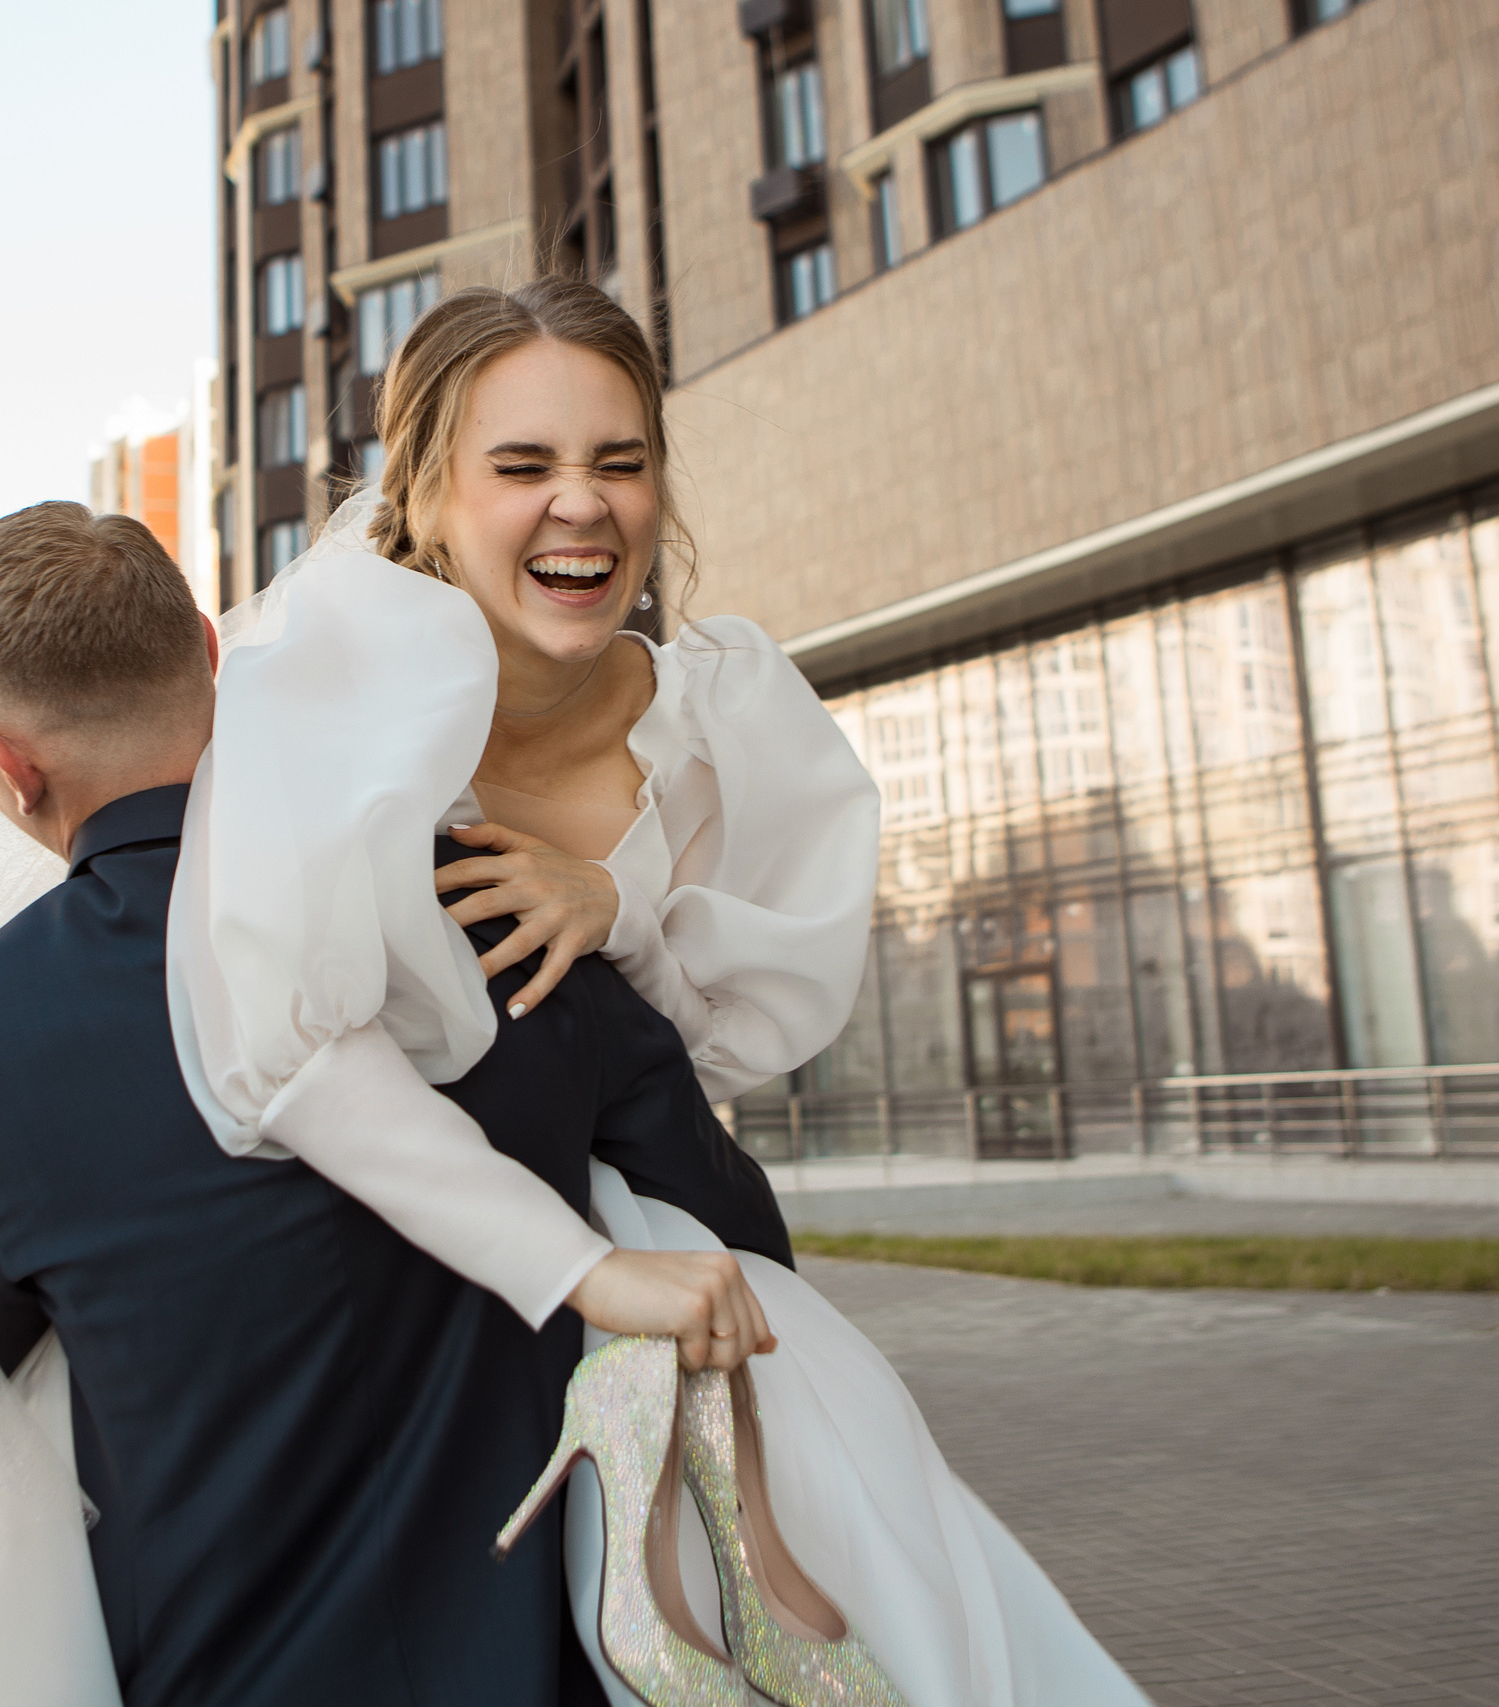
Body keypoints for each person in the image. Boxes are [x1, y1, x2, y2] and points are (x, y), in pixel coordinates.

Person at [0, 503, 790, 1707]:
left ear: (8, 764)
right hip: (555, 1671)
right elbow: (738, 1244)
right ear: (213, 657)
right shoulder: (504, 903)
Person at [169, 277, 1156, 1707]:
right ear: (430, 496)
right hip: (405, 1291)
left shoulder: (722, 721)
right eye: (524, 467)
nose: (584, 505)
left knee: (863, 1610)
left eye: (619, 463)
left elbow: (739, 1024)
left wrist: (617, 903)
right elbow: (282, 1047)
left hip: (684, 1255)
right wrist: (573, 1270)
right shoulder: (317, 694)